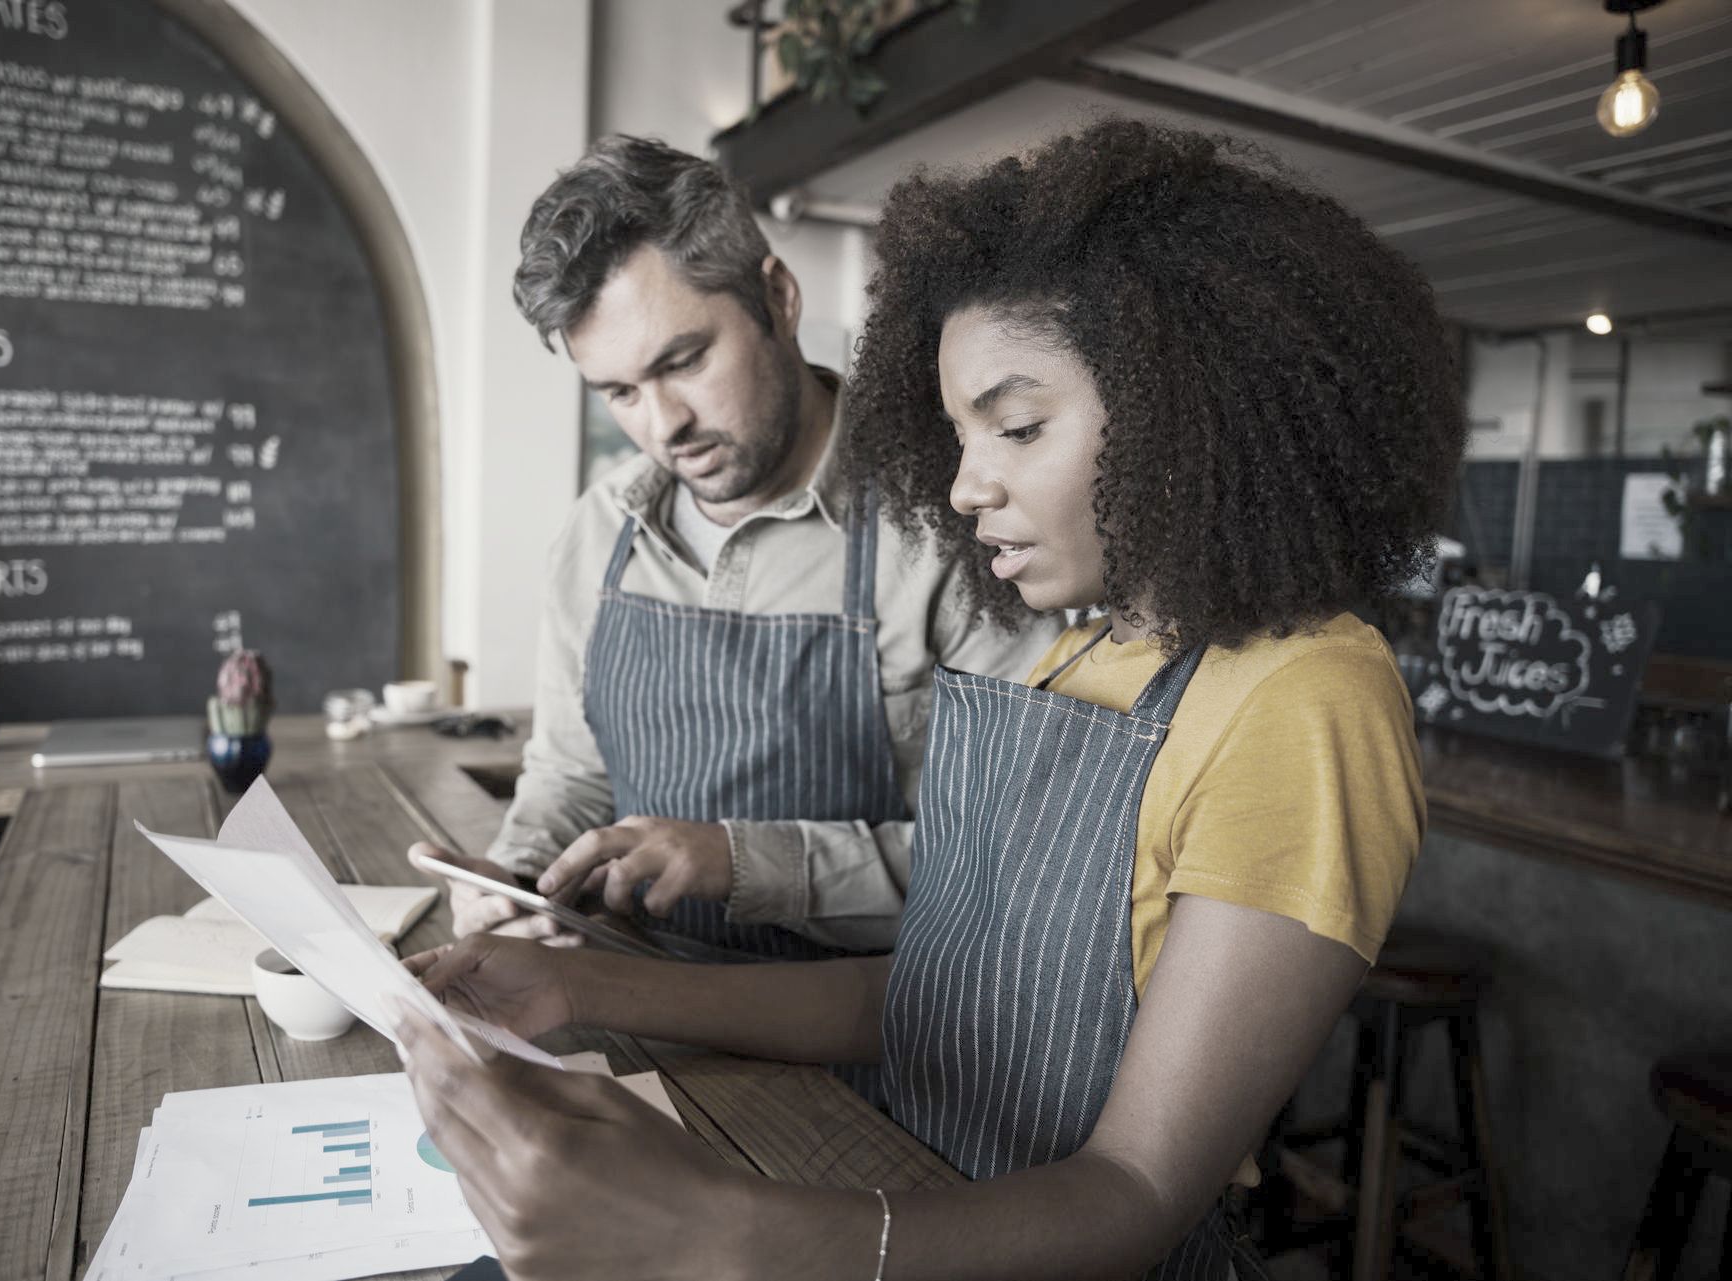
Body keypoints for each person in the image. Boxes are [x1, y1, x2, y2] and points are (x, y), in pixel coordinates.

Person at [392, 119, 1462, 1279]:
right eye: (956, 433)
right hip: (909, 1190)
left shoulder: (1310, 697)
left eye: (1016, 427)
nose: (962, 485)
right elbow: (931, 996)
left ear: (1186, 404)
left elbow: (1139, 1194)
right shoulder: (1083, 658)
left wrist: (721, 1233)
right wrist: (576, 980)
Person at [413, 135, 1052, 959]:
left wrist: (745, 860)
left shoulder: (958, 526)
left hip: (871, 1055)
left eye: (684, 360)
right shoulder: (599, 535)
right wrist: (519, 873)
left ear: (777, 296)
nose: (663, 424)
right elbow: (572, 777)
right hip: (638, 1016)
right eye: (619, 392)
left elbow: (1013, 859)